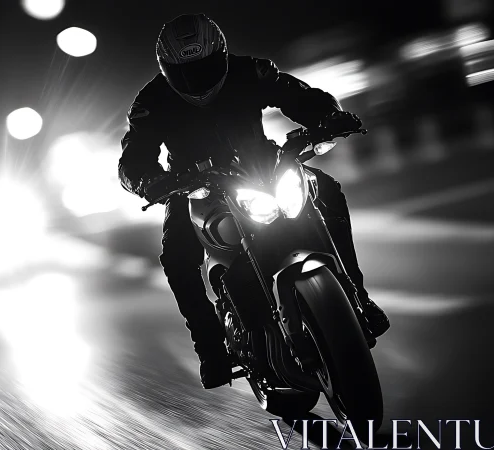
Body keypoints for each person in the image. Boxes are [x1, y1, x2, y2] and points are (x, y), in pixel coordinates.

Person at [117, 13, 390, 389]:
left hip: (263, 167)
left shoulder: (251, 72)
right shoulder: (150, 103)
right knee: (176, 257)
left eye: (207, 66)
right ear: (167, 70)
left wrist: (329, 117)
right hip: (195, 185)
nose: (197, 79)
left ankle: (358, 295)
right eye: (185, 72)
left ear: (223, 55)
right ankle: (210, 349)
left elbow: (299, 95)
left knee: (327, 191)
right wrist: (149, 181)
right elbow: (133, 159)